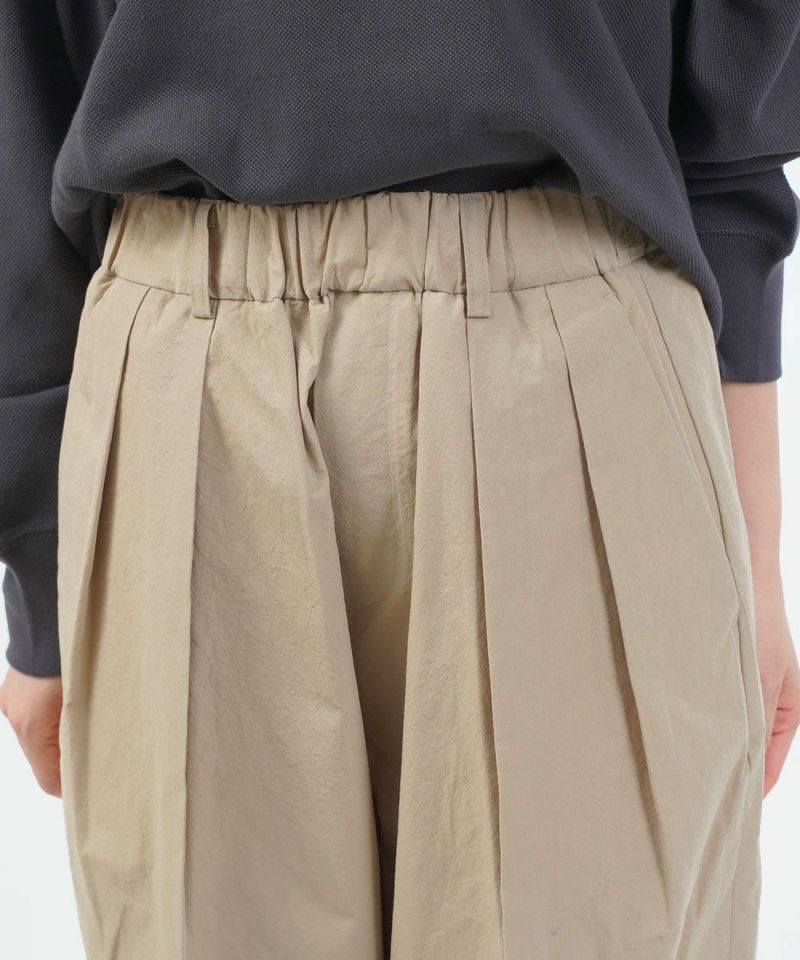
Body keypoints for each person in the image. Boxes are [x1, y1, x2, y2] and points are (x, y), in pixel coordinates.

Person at [1, 2, 799, 958]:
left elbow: (733, 113)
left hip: (569, 361)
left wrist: (754, 562)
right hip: (191, 367)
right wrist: (43, 581)